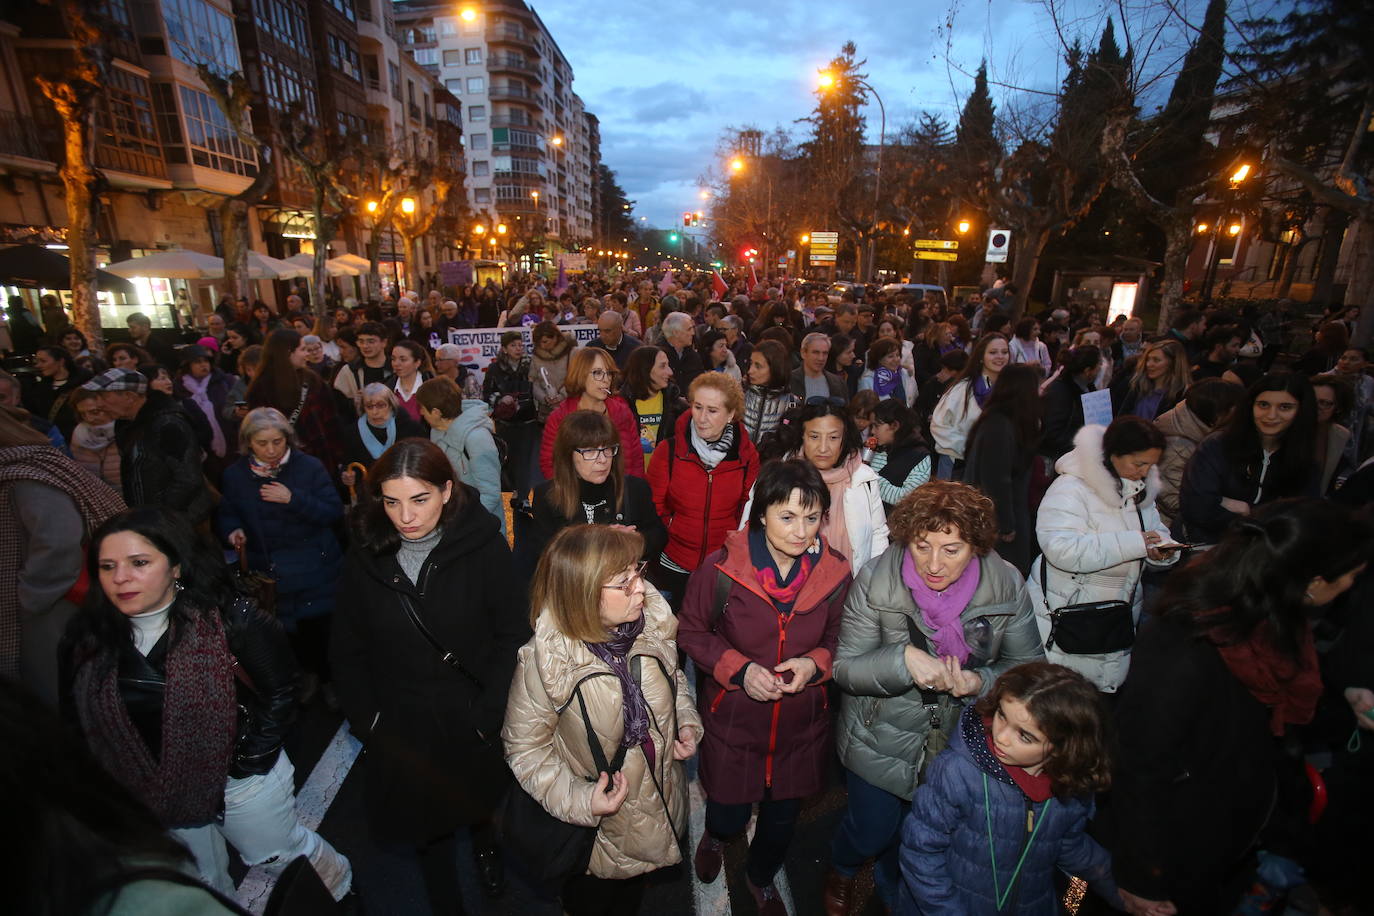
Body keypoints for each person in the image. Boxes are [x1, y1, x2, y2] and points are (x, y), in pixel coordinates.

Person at [1096, 499, 1374, 913]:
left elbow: (1283, 708)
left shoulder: (1272, 620)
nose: (1352, 585)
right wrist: (1143, 878)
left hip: (1227, 840)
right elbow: (1138, 767)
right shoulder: (1187, 646)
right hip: (1170, 853)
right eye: (1351, 575)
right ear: (1313, 583)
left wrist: (1342, 702)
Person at [62, 507, 352, 900]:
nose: (121, 578)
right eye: (107, 566)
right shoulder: (85, 639)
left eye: (139, 562)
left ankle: (341, 890)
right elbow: (77, 723)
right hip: (153, 795)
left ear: (176, 567)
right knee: (201, 881)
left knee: (278, 856)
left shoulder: (233, 621)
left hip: (237, 785)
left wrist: (248, 761)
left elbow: (283, 690)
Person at [827, 480, 1044, 912]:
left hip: (957, 744)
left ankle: (893, 884)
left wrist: (980, 683)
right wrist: (901, 659)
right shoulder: (876, 579)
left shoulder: (1005, 585)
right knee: (872, 829)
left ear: (977, 546)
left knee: (920, 835)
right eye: (922, 546)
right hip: (879, 734)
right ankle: (842, 869)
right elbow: (845, 668)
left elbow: (1029, 672)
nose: (934, 564)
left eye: (952, 550)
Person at [331, 439, 529, 910]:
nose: (405, 516)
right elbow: (346, 648)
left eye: (419, 499)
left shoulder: (483, 545)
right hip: (403, 723)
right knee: (426, 829)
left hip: (472, 715)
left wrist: (489, 712)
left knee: (481, 803)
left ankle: (486, 847)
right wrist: (370, 722)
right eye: (391, 501)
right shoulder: (365, 550)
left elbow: (512, 635)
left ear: (446, 490)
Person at [679, 459, 852, 916]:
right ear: (761, 514)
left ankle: (760, 878)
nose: (801, 531)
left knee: (781, 823)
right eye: (787, 516)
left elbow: (842, 641)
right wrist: (739, 670)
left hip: (801, 728)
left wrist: (813, 664)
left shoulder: (835, 575)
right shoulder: (720, 570)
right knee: (729, 812)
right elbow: (692, 633)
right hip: (735, 721)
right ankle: (716, 835)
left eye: (812, 517)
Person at [504, 525, 701, 915]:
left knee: (631, 897)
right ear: (583, 593)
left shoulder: (652, 624)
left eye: (637, 573)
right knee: (594, 903)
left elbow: (673, 679)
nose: (641, 589)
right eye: (623, 583)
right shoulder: (546, 660)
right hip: (597, 830)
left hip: (656, 796)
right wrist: (582, 800)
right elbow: (525, 750)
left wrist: (685, 719)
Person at [5, 679, 252, 915]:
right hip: (157, 800)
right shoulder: (82, 651)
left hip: (219, 784)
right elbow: (79, 724)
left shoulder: (148, 900)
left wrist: (250, 757)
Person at [899, 662, 1122, 913]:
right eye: (1001, 715)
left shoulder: (1070, 786)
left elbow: (1068, 844)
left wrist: (1121, 888)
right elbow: (920, 853)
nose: (1001, 736)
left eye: (1025, 736)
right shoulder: (957, 772)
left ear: (1065, 747)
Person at [1031, 418, 1179, 694]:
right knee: (1062, 699)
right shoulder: (1071, 489)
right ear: (1113, 455)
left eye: (1151, 464)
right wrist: (1137, 544)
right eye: (1138, 463)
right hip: (1070, 615)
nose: (1145, 471)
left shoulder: (1139, 491)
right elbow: (1061, 549)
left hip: (1116, 616)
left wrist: (1163, 552)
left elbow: (1153, 533)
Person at [217, 408, 344, 703]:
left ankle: (330, 680)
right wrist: (233, 530)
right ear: (248, 443)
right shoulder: (235, 476)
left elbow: (332, 511)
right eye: (263, 443)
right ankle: (305, 677)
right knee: (286, 633)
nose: (272, 450)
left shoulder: (309, 467)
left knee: (320, 629)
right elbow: (228, 511)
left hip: (316, 568)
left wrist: (294, 499)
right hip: (270, 573)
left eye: (278, 441)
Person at [0, 414, 125, 705]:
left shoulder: (25, 474)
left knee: (49, 698)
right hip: (37, 605)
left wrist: (30, 597)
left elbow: (57, 540)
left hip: (45, 611)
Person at [647, 373, 760, 607]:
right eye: (697, 407)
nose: (702, 418)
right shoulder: (668, 451)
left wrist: (730, 543)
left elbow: (745, 509)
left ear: (731, 415)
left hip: (721, 564)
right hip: (673, 562)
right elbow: (653, 506)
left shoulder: (747, 457)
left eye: (712, 410)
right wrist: (673, 527)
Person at [1178, 372, 1319, 544]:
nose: (1271, 415)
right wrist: (1262, 518)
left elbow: (1301, 516)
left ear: (1301, 410)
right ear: (1250, 405)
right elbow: (1197, 508)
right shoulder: (1217, 445)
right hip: (1205, 548)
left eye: (1285, 407)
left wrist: (1243, 509)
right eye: (1263, 405)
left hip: (1263, 555)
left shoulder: (1304, 457)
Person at [757, 400, 889, 574]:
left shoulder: (864, 479)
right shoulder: (777, 476)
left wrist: (871, 581)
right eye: (814, 436)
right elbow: (752, 530)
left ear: (844, 438)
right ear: (802, 436)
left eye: (833, 437)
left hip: (847, 586)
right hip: (787, 586)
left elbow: (877, 534)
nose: (823, 448)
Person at [530, 410, 666, 562]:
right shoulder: (547, 496)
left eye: (607, 449)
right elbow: (546, 556)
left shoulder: (635, 488)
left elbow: (658, 536)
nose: (602, 460)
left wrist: (636, 540)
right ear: (568, 455)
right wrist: (601, 541)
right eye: (590, 451)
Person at [81, 369, 212, 525]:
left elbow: (188, 479)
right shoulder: (126, 424)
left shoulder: (168, 423)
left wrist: (157, 519)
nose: (99, 404)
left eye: (103, 396)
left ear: (129, 397)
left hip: (178, 524)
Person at [963, 364, 1043, 575]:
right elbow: (996, 478)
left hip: (1004, 515)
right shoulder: (999, 424)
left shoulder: (1005, 421)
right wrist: (1006, 524)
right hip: (998, 521)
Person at [247, 328, 345, 472]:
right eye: (303, 349)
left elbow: (331, 421)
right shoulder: (260, 389)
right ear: (287, 352)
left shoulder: (312, 379)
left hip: (323, 459)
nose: (307, 354)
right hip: (287, 464)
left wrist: (339, 456)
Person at [418, 376, 505, 536]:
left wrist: (463, 525)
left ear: (436, 412)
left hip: (479, 529)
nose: (420, 412)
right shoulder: (436, 431)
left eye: (423, 407)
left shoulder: (477, 439)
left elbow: (490, 493)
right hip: (450, 523)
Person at [1152, 378, 1244, 530]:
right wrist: (1221, 502)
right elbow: (1171, 499)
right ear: (1218, 414)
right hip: (1169, 529)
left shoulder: (1196, 428)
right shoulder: (1179, 445)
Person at [541, 347, 646, 480]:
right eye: (597, 373)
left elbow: (636, 460)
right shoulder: (560, 418)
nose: (606, 379)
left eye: (609, 373)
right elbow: (550, 465)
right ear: (580, 375)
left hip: (620, 494)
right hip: (576, 496)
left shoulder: (622, 413)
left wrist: (630, 493)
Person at [930, 333, 1011, 480]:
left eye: (1004, 352)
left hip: (995, 465)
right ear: (981, 356)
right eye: (993, 352)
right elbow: (939, 424)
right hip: (958, 463)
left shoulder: (1011, 389)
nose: (1000, 356)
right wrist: (968, 448)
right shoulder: (963, 388)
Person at [339, 383, 426, 493]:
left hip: (406, 490)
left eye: (381, 405)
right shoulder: (352, 433)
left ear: (391, 405)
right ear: (363, 408)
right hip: (370, 494)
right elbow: (348, 463)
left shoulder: (410, 428)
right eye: (369, 407)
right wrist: (348, 476)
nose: (375, 412)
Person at [172, 345, 237, 480]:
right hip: (202, 449)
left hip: (232, 444)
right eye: (197, 362)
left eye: (205, 361)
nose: (203, 365)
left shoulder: (225, 382)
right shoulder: (178, 389)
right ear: (187, 365)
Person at [621, 345, 684, 470]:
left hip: (665, 479)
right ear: (645, 370)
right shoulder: (620, 405)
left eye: (668, 365)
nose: (670, 372)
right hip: (632, 481)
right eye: (662, 366)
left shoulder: (677, 405)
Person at [1039, 345, 1101, 464]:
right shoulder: (1059, 392)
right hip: (1060, 460)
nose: (1100, 368)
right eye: (1099, 365)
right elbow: (1053, 434)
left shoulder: (1088, 388)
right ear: (1088, 371)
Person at [868, 399, 932, 511]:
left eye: (876, 426)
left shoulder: (920, 457)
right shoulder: (880, 449)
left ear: (895, 426)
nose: (872, 431)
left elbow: (908, 498)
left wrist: (870, 480)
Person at [1112, 339, 1191, 422]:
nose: (1149, 364)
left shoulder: (1181, 395)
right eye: (1148, 359)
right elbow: (1121, 418)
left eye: (1156, 360)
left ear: (1173, 363)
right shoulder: (1138, 385)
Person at [743, 339, 800, 450]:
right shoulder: (739, 396)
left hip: (771, 465)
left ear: (775, 368)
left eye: (758, 366)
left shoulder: (792, 404)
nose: (750, 370)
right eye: (750, 364)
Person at [24, 345, 91, 440]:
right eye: (37, 361)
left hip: (80, 437)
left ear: (61, 361)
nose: (38, 365)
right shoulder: (38, 387)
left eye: (43, 361)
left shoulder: (84, 382)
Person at [333, 320, 394, 416]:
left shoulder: (396, 368)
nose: (365, 346)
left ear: (384, 343)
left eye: (371, 341)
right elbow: (338, 405)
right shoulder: (349, 371)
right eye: (361, 341)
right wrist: (354, 402)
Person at [68, 390, 123, 489]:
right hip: (96, 494)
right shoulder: (79, 434)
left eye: (95, 412)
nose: (89, 418)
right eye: (83, 414)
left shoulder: (126, 431)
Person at [1310, 373, 1354, 493]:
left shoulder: (1340, 435)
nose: (1315, 407)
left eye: (1324, 403)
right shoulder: (1285, 426)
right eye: (1311, 400)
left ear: (1338, 407)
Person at [530, 320, 576, 425]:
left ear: (555, 337)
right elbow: (534, 381)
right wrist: (544, 398)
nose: (542, 345)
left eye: (545, 341)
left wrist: (561, 396)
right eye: (539, 342)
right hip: (546, 414)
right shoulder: (536, 357)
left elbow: (576, 378)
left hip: (570, 412)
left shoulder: (572, 353)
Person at [789, 332, 848, 404]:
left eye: (825, 353)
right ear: (803, 353)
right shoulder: (788, 381)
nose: (821, 358)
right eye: (816, 352)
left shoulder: (838, 383)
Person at [858, 338, 917, 407]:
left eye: (898, 355)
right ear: (879, 359)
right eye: (890, 356)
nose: (896, 359)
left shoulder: (904, 374)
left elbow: (913, 398)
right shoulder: (867, 381)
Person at [389, 339, 432, 425]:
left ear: (417, 363)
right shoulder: (387, 388)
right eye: (393, 359)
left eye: (403, 359)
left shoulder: (433, 388)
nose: (396, 364)